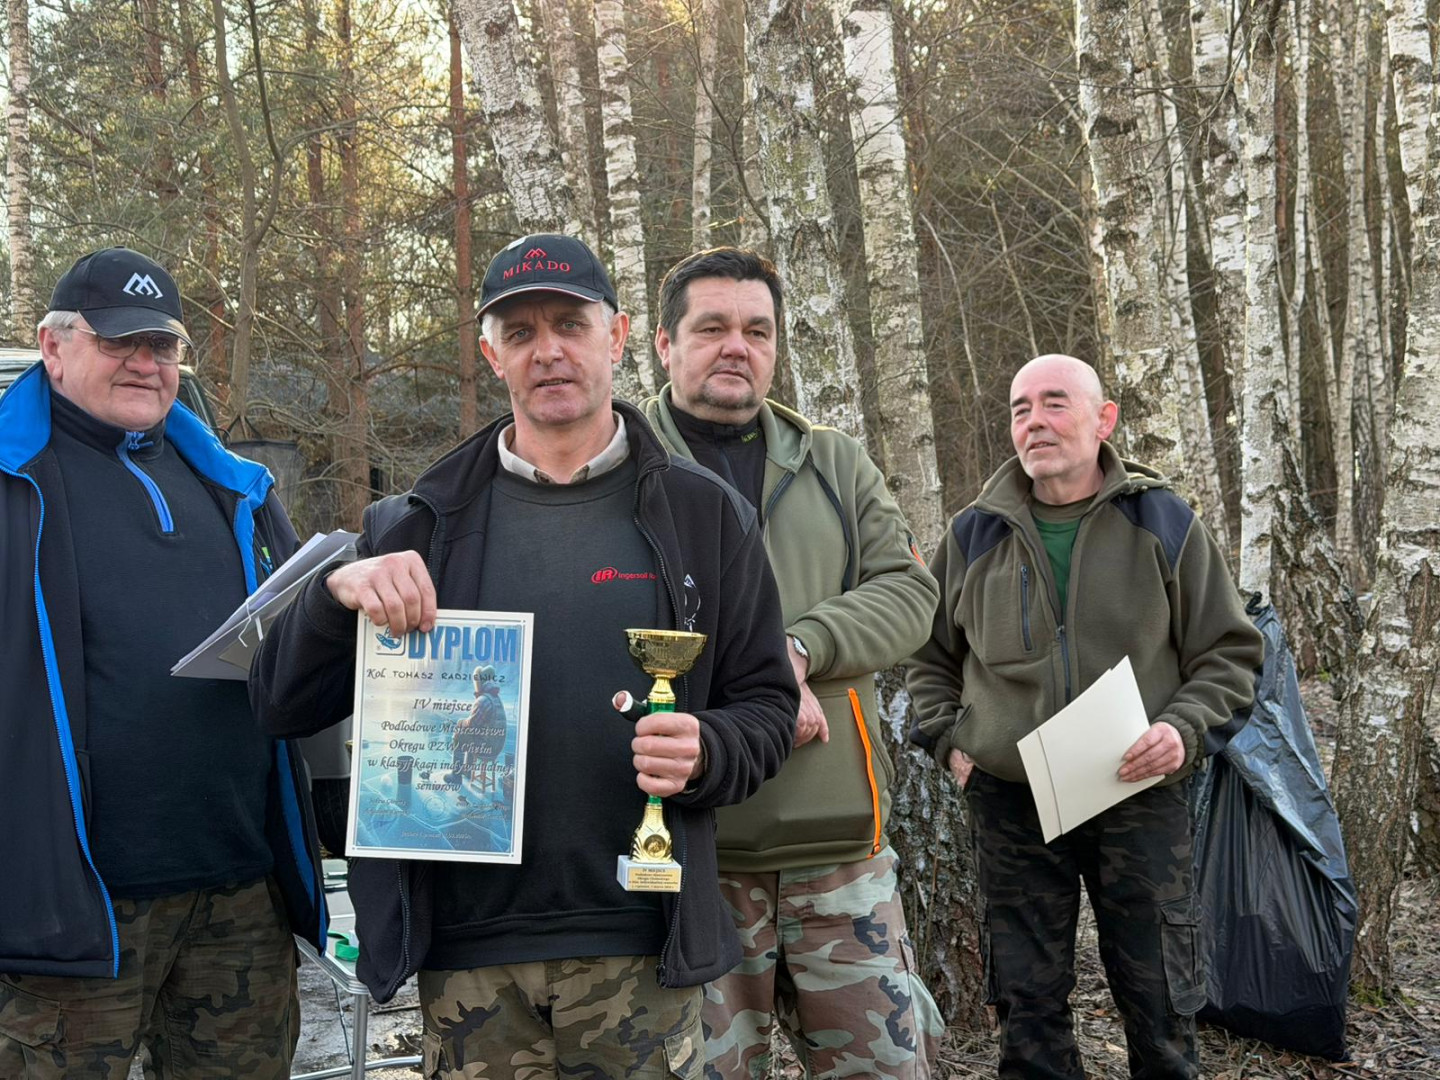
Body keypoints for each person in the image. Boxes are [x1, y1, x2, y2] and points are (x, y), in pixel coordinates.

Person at [249, 233, 799, 1078]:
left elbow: (768, 706)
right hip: (470, 956)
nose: (548, 351)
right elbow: (279, 703)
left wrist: (709, 749)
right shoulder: (418, 524)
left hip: (638, 943)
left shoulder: (705, 516)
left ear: (616, 336)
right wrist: (334, 596)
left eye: (570, 325)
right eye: (520, 332)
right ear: (491, 354)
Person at [0, 247, 326, 1078]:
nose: (145, 363)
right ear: (53, 345)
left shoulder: (236, 487)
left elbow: (297, 653)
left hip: (239, 894)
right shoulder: (9, 484)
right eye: (120, 342)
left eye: (163, 345)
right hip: (70, 914)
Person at [906, 354, 1264, 1079]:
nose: (1034, 422)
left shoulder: (1161, 520)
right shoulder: (976, 533)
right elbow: (927, 655)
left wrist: (1183, 731)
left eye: (1054, 403)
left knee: (1159, 997)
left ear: (1104, 421)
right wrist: (951, 739)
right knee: (1027, 1000)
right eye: (1020, 409)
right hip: (1013, 799)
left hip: (1137, 787)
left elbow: (1229, 653)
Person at [644, 247, 943, 1078]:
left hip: (839, 856)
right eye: (711, 328)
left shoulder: (833, 462)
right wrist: (758, 688)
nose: (736, 347)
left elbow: (909, 593)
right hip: (691, 861)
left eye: (757, 330)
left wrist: (800, 649)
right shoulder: (627, 470)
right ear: (665, 345)